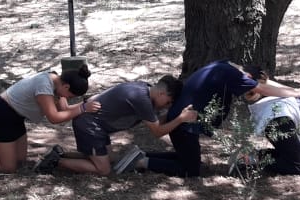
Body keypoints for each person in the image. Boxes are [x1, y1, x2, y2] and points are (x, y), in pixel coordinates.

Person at [118, 60, 300, 177]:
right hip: (185, 123)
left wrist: (293, 90)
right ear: (246, 76)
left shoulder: (223, 66)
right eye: (248, 86)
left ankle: (143, 155)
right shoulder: (233, 75)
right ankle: (142, 162)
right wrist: (297, 92)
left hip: (184, 119)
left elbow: (264, 84)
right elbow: (263, 88)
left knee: (188, 160)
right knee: (190, 170)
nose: (247, 92)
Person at [33, 75, 198, 176]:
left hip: (97, 126)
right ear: (162, 93)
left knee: (110, 159)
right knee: (103, 170)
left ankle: (60, 154)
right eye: (168, 102)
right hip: (90, 126)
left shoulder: (144, 89)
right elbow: (157, 132)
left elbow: (157, 122)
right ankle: (56, 161)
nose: (166, 106)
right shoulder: (142, 100)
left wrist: (175, 116)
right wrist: (180, 119)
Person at [0, 65, 101, 174]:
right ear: (66, 86)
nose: (67, 98)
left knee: (19, 160)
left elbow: (65, 109)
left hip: (15, 118)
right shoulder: (44, 85)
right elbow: (54, 118)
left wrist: (87, 104)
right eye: (70, 96)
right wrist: (83, 108)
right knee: (8, 167)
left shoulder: (58, 84)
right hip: (0, 115)